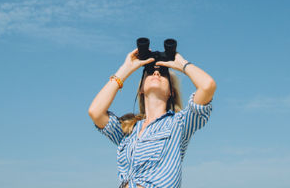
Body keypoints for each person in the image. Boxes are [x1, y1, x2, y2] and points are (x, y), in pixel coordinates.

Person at [88, 47, 216, 188]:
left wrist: (181, 63)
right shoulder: (128, 130)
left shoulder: (180, 124)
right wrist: (125, 69)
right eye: (149, 72)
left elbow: (207, 86)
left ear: (171, 92)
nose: (156, 72)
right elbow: (96, 112)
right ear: (141, 89)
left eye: (163, 73)